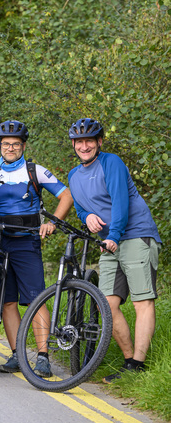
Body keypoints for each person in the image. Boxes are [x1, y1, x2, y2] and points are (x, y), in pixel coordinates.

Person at [67, 118, 162, 383]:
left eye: (89, 140)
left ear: (99, 142)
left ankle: (138, 366)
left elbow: (121, 203)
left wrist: (115, 236)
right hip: (109, 242)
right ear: (74, 145)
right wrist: (86, 216)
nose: (84, 146)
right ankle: (130, 360)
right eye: (79, 141)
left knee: (143, 301)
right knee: (108, 304)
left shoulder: (112, 163)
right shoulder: (73, 175)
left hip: (135, 235)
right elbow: (80, 207)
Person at [0, 120, 73, 377]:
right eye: (6, 144)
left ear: (23, 145)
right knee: (8, 301)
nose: (10, 148)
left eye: (15, 144)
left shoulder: (35, 171)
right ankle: (16, 355)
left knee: (36, 298)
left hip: (27, 240)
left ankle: (43, 356)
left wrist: (53, 222)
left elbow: (66, 195)